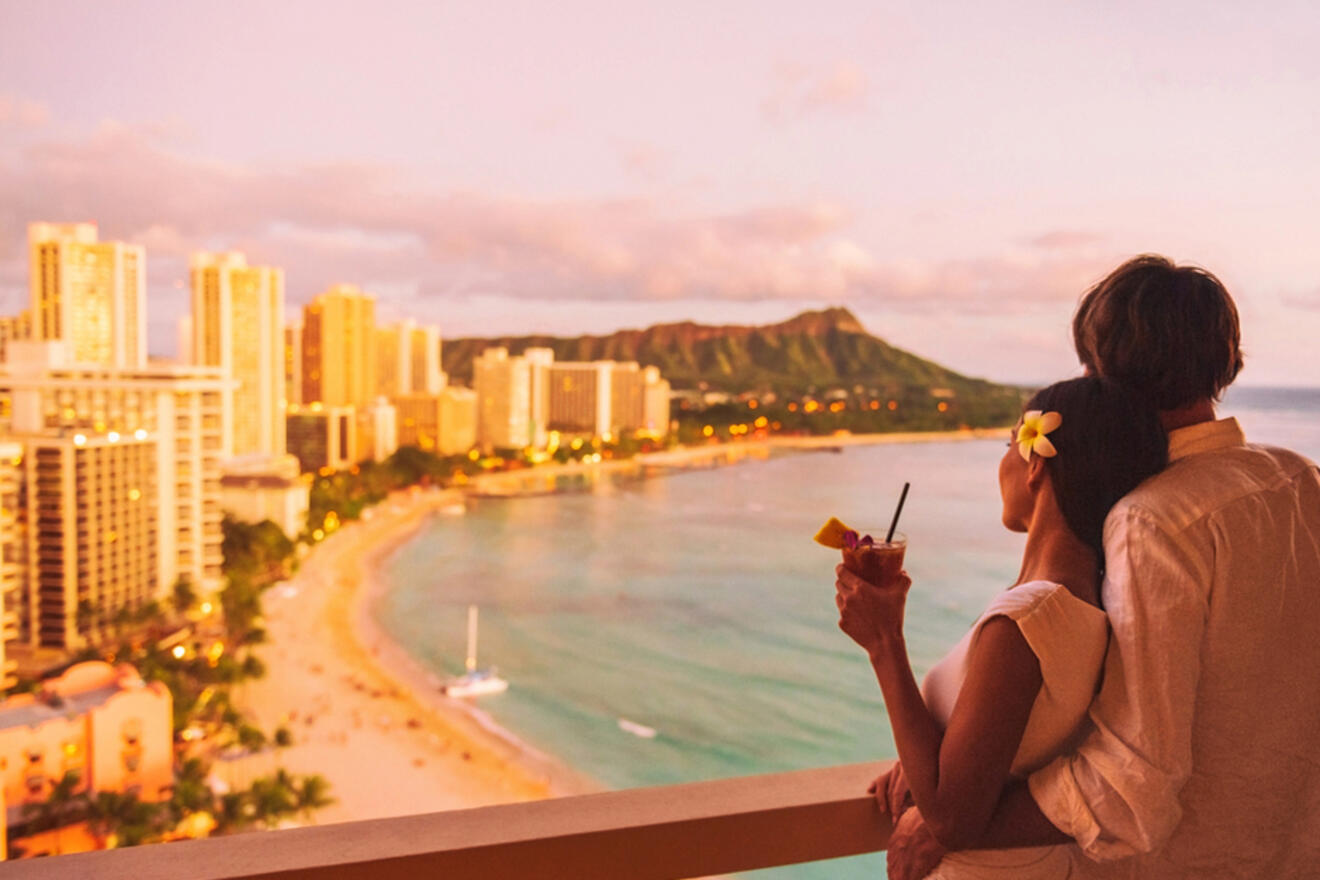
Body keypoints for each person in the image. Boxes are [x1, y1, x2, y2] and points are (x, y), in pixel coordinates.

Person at [882, 255, 1320, 879]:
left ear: (1101, 373)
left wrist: (953, 820)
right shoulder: (1301, 481)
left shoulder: (1152, 522)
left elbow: (1133, 779)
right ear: (1225, 362)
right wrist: (951, 755)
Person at [836, 375, 1168, 878]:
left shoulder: (1026, 620)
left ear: (1036, 463)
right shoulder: (1083, 602)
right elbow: (1005, 751)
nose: (1004, 462)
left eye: (1007, 445)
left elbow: (951, 818)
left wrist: (885, 642)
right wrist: (923, 753)